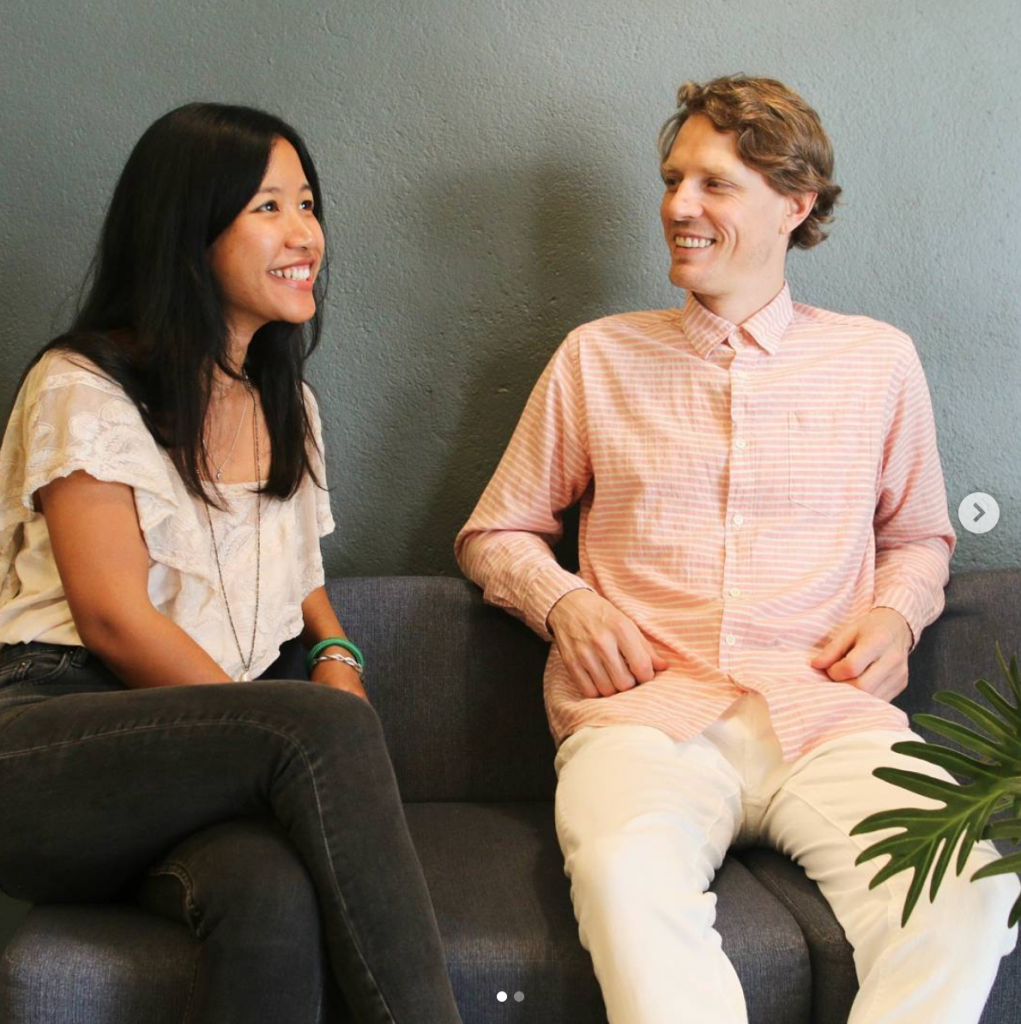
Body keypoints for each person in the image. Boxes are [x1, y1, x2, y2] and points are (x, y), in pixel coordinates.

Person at [455, 75, 1018, 1022]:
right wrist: (564, 602)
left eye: (714, 184)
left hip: (829, 717)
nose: (678, 206)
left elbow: (918, 535)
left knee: (969, 891)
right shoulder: (597, 357)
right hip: (646, 719)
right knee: (625, 881)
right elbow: (493, 532)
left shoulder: (877, 361)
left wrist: (895, 613)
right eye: (673, 180)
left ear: (794, 204)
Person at [0, 103, 462, 1024]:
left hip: (202, 763)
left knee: (268, 891)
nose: (305, 235)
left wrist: (335, 654)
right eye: (268, 208)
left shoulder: (287, 403)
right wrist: (279, 728)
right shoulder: (83, 386)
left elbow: (295, 571)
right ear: (188, 231)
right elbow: (114, 619)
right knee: (320, 729)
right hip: (55, 741)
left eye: (307, 204)